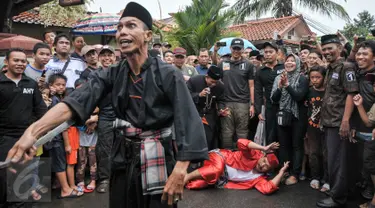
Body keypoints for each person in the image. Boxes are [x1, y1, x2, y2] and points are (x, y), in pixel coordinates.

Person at [6, 2, 208, 208]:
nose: (122, 32)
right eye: (119, 28)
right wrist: (33, 132)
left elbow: (188, 119)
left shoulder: (168, 74)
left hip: (157, 155)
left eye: (131, 26)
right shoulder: (112, 73)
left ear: (147, 36)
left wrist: (182, 168)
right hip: (123, 155)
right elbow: (74, 102)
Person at [0, 48, 47, 207]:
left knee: (24, 181)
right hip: (4, 140)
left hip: (27, 139)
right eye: (16, 60)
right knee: (5, 179)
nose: (20, 64)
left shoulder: (31, 84)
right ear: (7, 62)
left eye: (23, 61)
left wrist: (40, 133)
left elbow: (40, 110)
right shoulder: (1, 83)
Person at [317, 34, 359, 208]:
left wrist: (345, 121)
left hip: (338, 123)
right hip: (329, 121)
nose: (326, 52)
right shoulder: (331, 68)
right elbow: (329, 96)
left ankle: (338, 198)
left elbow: (351, 94)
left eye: (330, 48)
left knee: (337, 162)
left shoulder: (346, 67)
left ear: (340, 49)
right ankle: (340, 190)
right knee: (333, 160)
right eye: (324, 49)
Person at [185, 139, 289, 195]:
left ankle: (185, 178)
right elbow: (241, 142)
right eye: (264, 161)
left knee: (195, 185)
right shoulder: (253, 155)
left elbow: (268, 189)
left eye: (266, 166)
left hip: (220, 178)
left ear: (268, 171)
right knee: (216, 169)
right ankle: (187, 176)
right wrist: (263, 148)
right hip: (220, 157)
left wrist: (281, 173)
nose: (262, 165)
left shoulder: (259, 179)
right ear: (263, 156)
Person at [270, 54, 309, 185]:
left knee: (296, 146)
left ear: (297, 63)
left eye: (293, 61)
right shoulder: (278, 78)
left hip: (297, 116)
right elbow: (274, 99)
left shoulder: (302, 78)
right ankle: (284, 171)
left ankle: (295, 174)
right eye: (287, 61)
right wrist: (280, 87)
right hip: (282, 115)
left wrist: (287, 85)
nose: (290, 63)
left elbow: (299, 97)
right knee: (283, 146)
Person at [47, 73, 84, 199]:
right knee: (59, 163)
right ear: (51, 85)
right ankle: (65, 189)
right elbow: (60, 123)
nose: (61, 87)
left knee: (61, 162)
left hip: (57, 138)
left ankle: (64, 186)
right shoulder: (54, 100)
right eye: (58, 84)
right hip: (55, 138)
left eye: (63, 85)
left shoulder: (57, 98)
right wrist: (67, 144)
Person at [218, 38, 256, 149]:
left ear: (242, 49)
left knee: (242, 132)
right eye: (234, 48)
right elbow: (217, 82)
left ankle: (241, 159)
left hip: (243, 103)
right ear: (230, 48)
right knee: (226, 133)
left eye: (239, 49)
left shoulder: (248, 64)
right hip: (226, 103)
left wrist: (252, 105)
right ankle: (228, 160)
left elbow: (251, 85)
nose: (236, 51)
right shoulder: (222, 63)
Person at [351, 40, 375, 204]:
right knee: (363, 163)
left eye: (365, 53)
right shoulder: (356, 74)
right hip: (359, 125)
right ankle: (367, 187)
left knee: (371, 164)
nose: (360, 56)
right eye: (359, 53)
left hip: (372, 127)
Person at [187, 65, 225, 150]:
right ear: (206, 76)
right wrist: (198, 95)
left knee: (209, 138)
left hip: (209, 114)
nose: (213, 84)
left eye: (216, 82)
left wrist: (221, 109)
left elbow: (221, 100)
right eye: (211, 81)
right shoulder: (194, 80)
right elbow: (185, 95)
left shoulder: (220, 86)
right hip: (194, 113)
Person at [255, 41, 284, 145]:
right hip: (270, 107)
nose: (267, 54)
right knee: (270, 135)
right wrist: (258, 111)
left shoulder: (284, 67)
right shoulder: (260, 71)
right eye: (265, 52)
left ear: (277, 53)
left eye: (270, 52)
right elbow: (257, 92)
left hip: (285, 106)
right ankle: (271, 160)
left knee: (284, 136)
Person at [96, 46, 117, 193]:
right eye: (103, 55)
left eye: (110, 55)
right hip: (104, 115)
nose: (107, 58)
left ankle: (121, 176)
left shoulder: (121, 72)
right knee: (104, 149)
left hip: (123, 115)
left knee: (124, 146)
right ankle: (104, 179)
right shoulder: (95, 75)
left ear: (115, 57)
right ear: (99, 58)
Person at [305, 66, 329, 192]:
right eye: (312, 77)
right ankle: (315, 177)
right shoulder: (309, 91)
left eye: (318, 77)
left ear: (324, 77)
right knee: (313, 153)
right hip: (312, 127)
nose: (315, 80)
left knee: (327, 154)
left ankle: (328, 179)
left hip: (326, 127)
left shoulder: (329, 92)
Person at [74, 79, 98, 193]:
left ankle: (93, 180)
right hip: (79, 138)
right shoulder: (74, 102)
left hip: (93, 138)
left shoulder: (95, 102)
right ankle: (80, 181)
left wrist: (94, 119)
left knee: (93, 159)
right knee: (81, 160)